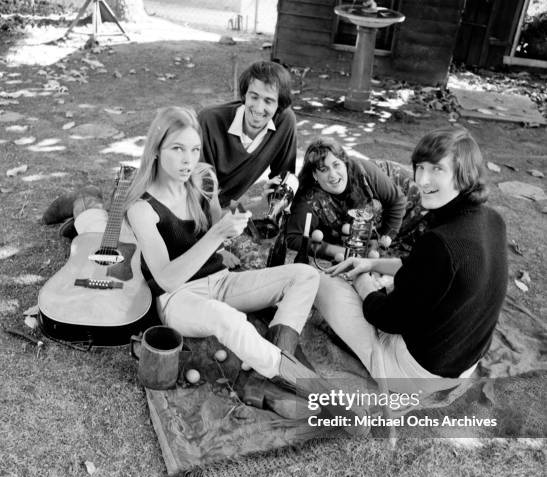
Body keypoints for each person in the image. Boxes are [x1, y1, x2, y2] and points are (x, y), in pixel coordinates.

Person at [123, 106, 368, 432]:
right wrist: (215, 236)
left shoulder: (198, 182)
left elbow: (220, 222)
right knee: (230, 321)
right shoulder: (142, 208)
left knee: (306, 274)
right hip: (179, 300)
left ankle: (257, 379)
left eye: (194, 149)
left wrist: (250, 211)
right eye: (177, 149)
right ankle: (319, 392)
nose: (188, 159)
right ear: (155, 149)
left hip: (221, 281)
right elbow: (167, 278)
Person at [314, 127, 508, 393]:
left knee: (321, 283)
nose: (423, 180)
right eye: (420, 167)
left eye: (437, 169)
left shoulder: (441, 244)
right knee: (383, 282)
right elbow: (426, 271)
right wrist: (370, 264)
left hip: (419, 374)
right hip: (463, 362)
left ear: (464, 175)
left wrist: (360, 279)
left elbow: (384, 317)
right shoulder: (492, 219)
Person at [286, 137, 410, 259]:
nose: (333, 175)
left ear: (345, 163)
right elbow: (294, 237)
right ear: (315, 175)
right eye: (324, 170)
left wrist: (384, 240)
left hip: (404, 189)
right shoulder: (309, 197)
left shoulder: (364, 171)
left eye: (336, 165)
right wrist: (341, 252)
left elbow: (397, 201)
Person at [198, 60, 297, 208]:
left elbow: (284, 178)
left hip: (228, 206)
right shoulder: (209, 121)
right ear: (244, 95)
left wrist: (273, 202)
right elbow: (201, 193)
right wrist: (242, 212)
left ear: (279, 104)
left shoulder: (285, 121)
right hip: (194, 208)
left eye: (268, 101)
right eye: (254, 97)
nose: (258, 108)